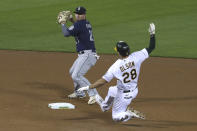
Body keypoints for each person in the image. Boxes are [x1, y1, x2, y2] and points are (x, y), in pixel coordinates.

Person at [78, 23, 156, 122]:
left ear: (119, 52)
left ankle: (128, 113)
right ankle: (105, 107)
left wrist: (89, 87)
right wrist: (152, 34)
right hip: (134, 90)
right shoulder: (137, 56)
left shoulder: (116, 66)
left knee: (116, 118)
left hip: (124, 95)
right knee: (111, 90)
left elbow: (103, 81)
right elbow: (151, 47)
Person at [59, 6, 99, 104]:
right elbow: (77, 28)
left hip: (88, 55)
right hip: (85, 54)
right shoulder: (86, 23)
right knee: (72, 71)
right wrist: (71, 19)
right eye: (76, 13)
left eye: (80, 14)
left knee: (76, 75)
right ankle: (79, 93)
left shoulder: (79, 25)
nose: (78, 15)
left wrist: (63, 23)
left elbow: (66, 34)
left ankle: (94, 95)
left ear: (84, 15)